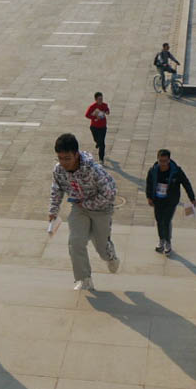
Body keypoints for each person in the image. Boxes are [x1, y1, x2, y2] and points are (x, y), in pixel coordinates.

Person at [48, 132, 120, 291]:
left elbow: (110, 194)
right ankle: (84, 279)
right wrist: (53, 209)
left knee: (101, 248)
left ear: (76, 155)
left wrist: (87, 203)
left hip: (101, 209)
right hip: (79, 208)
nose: (63, 162)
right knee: (75, 242)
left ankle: (111, 256)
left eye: (67, 158)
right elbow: (57, 188)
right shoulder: (59, 170)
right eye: (60, 158)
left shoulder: (93, 169)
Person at [144, 148, 196, 256]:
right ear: (157, 159)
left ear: (169, 160)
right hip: (158, 200)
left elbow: (186, 183)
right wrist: (149, 197)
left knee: (167, 221)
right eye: (160, 161)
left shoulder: (176, 171)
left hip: (170, 201)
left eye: (165, 161)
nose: (163, 163)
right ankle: (161, 240)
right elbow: (149, 184)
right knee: (159, 220)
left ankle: (168, 242)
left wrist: (192, 198)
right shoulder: (153, 171)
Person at [84, 92, 110, 162]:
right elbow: (87, 115)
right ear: (96, 99)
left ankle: (101, 158)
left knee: (102, 143)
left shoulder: (104, 105)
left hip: (103, 127)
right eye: (99, 99)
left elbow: (107, 110)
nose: (101, 100)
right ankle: (97, 143)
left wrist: (107, 112)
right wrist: (95, 117)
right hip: (94, 127)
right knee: (96, 140)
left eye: (101, 99)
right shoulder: (92, 107)